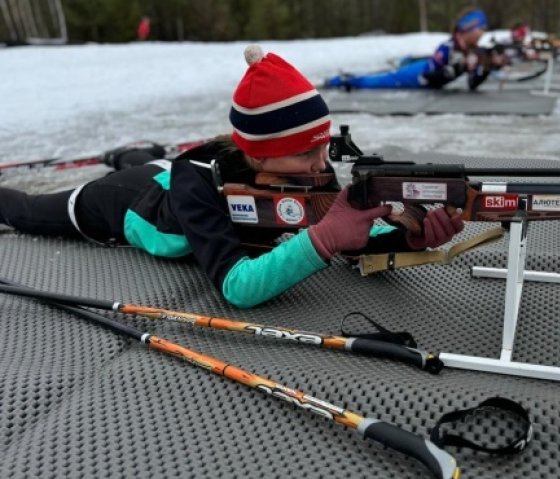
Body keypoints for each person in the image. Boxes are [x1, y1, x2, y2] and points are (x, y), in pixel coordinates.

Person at [0, 45, 464, 309]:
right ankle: (129, 159)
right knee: (27, 212)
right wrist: (321, 241)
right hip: (126, 202)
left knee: (146, 160)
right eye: (306, 152)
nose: (323, 165)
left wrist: (408, 235)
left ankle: (130, 153)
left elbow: (352, 233)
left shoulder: (306, 168)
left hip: (168, 173)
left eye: (323, 147)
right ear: (261, 159)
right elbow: (237, 287)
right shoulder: (197, 186)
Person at [324, 7, 505, 91]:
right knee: (375, 82)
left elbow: (473, 84)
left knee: (379, 78)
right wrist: (457, 69)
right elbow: (429, 77)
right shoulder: (447, 48)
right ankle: (341, 80)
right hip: (415, 75)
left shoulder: (473, 52)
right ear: (468, 29)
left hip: (424, 75)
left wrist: (488, 67)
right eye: (481, 29)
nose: (483, 33)